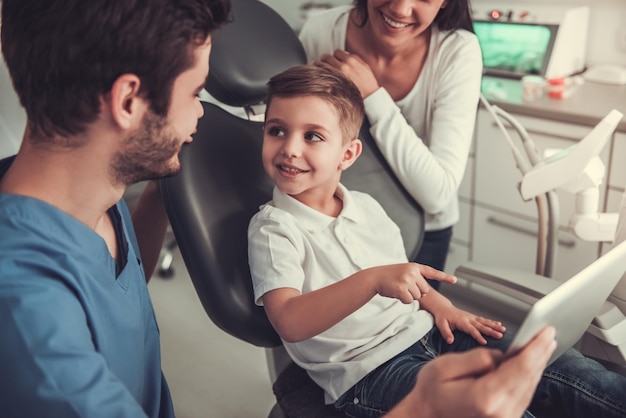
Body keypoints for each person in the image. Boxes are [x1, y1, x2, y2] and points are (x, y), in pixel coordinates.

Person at [247, 63, 626, 418]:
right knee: (497, 408)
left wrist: (442, 305)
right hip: (368, 373)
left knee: (569, 371)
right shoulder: (274, 229)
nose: (290, 147)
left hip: (429, 331)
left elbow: (406, 278)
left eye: (312, 135)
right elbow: (290, 322)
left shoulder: (365, 206)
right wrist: (372, 280)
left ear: (347, 154)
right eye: (276, 130)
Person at [0, 0, 230, 416]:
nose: (200, 112)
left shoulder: (92, 188)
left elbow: (112, 289)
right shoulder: (31, 327)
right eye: (195, 93)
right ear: (128, 101)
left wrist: (161, 196)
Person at [298, 0, 482, 288]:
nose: (400, 9)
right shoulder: (323, 30)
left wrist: (372, 96)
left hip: (424, 234)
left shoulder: (457, 51)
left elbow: (438, 194)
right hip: (335, 226)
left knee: (413, 330)